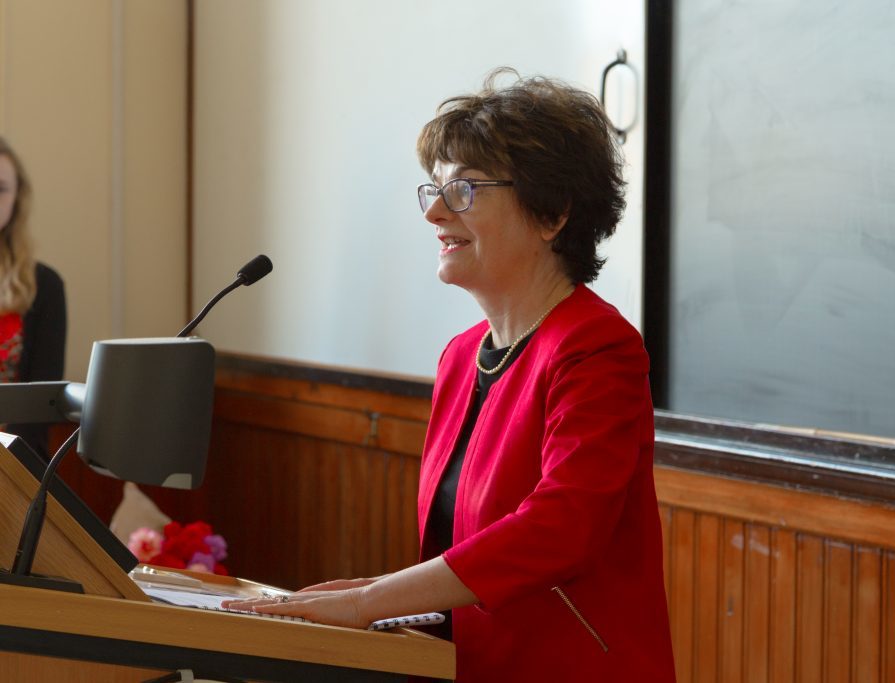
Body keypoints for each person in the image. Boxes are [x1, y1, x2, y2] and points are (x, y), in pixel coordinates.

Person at [225, 70, 675, 681]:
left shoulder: (598, 348)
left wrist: (366, 604)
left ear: (552, 214)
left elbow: (560, 529)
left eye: (464, 190)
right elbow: (458, 552)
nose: (436, 211)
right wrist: (383, 596)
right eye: (435, 189)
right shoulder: (462, 357)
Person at [0, 137, 67, 459]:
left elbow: (43, 401)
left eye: (1, 188)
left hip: (15, 463)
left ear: (16, 198)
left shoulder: (45, 285)